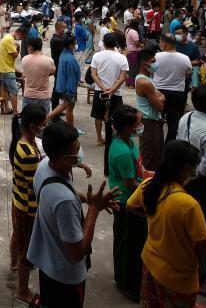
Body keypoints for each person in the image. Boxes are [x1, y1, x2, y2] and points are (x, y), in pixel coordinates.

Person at [27, 120, 118, 307]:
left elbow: (57, 193)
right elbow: (77, 252)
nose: (79, 155)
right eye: (75, 152)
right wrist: (94, 209)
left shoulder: (45, 165)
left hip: (48, 263)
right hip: (65, 277)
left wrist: (85, 198)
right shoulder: (64, 202)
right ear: (63, 158)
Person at [126, 140, 206, 308]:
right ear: (186, 169)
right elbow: (204, 248)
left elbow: (130, 205)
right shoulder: (188, 204)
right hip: (178, 277)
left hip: (150, 264)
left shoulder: (149, 185)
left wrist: (153, 215)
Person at [176, 85, 206, 299]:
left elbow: (179, 144)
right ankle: (200, 276)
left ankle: (191, 269)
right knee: (205, 229)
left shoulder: (185, 118)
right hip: (202, 185)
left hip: (184, 175)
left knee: (187, 228)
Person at [108, 104, 147, 301]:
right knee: (130, 245)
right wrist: (150, 194)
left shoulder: (129, 141)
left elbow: (138, 170)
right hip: (126, 202)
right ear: (126, 128)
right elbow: (131, 184)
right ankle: (128, 285)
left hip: (131, 197)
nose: (141, 126)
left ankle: (126, 279)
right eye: (138, 123)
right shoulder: (122, 151)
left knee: (130, 242)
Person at [8, 104, 46, 305]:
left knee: (18, 236)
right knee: (27, 252)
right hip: (28, 208)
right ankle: (22, 290)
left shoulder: (23, 142)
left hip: (19, 201)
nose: (44, 128)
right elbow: (36, 185)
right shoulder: (28, 153)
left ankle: (13, 263)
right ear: (32, 126)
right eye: (42, 125)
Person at [89, 32, 129, 149]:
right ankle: (112, 139)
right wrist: (112, 90)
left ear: (104, 43)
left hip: (99, 91)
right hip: (115, 92)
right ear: (115, 44)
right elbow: (122, 78)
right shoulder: (122, 58)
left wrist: (102, 87)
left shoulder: (97, 56)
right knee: (115, 117)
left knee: (98, 116)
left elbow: (93, 74)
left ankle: (99, 138)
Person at [153, 32, 191, 141]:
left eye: (160, 42)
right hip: (177, 93)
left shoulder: (156, 57)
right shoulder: (185, 58)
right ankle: (169, 146)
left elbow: (151, 72)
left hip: (158, 92)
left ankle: (157, 144)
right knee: (174, 122)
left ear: (164, 44)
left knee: (156, 119)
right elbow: (187, 73)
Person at [134, 49, 165, 171]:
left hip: (154, 122)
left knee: (156, 156)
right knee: (150, 160)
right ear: (144, 64)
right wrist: (161, 97)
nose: (155, 64)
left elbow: (160, 96)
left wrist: (159, 97)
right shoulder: (144, 82)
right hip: (149, 124)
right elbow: (160, 106)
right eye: (153, 61)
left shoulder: (148, 78)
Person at [51, 33, 81, 127]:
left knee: (64, 105)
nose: (76, 44)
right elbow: (71, 77)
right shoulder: (70, 59)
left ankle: (47, 118)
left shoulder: (63, 54)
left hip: (63, 86)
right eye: (75, 43)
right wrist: (71, 92)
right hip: (69, 88)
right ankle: (70, 129)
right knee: (69, 109)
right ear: (71, 45)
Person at [21, 36, 55, 114]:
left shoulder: (24, 59)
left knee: (27, 122)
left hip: (28, 95)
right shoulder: (49, 61)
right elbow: (53, 71)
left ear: (30, 47)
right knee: (43, 122)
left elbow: (25, 73)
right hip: (43, 97)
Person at [0, 27, 23, 114]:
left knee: (4, 89)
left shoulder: (6, 37)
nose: (20, 39)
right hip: (7, 70)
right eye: (22, 36)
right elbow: (15, 55)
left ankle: (6, 108)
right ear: (19, 33)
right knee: (14, 91)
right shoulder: (9, 39)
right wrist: (17, 48)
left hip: (2, 68)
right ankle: (15, 112)